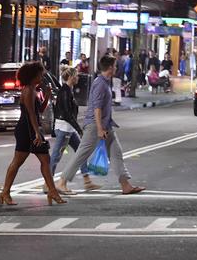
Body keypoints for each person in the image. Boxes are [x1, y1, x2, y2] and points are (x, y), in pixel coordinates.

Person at [57, 55, 145, 195]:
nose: (116, 68)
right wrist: (99, 128)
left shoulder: (105, 82)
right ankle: (62, 182)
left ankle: (125, 185)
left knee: (116, 153)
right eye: (115, 66)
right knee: (82, 153)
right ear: (110, 67)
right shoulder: (99, 83)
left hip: (106, 125)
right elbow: (97, 107)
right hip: (94, 125)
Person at [0, 61, 66, 206]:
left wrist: (47, 96)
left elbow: (38, 111)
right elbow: (30, 114)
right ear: (32, 76)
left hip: (31, 129)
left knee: (43, 160)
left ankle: (51, 191)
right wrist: (37, 133)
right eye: (40, 75)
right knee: (22, 161)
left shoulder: (33, 90)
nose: (42, 77)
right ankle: (6, 191)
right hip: (28, 130)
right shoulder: (28, 90)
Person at [50, 67, 99, 193]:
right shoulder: (65, 91)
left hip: (68, 128)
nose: (78, 77)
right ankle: (49, 183)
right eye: (76, 75)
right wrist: (79, 129)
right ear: (71, 77)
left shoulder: (68, 90)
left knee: (80, 152)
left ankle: (87, 180)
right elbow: (66, 114)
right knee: (56, 155)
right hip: (64, 128)